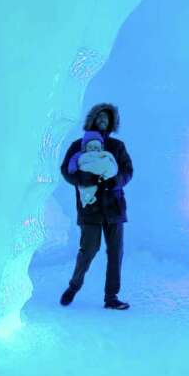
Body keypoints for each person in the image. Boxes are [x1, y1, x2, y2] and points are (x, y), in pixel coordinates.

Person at [59, 103, 134, 310]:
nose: (103, 119)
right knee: (89, 250)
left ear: (111, 122)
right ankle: (74, 287)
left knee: (115, 252)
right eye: (99, 116)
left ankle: (111, 297)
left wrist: (114, 181)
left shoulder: (117, 147)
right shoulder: (78, 145)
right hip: (89, 208)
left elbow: (128, 171)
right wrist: (83, 178)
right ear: (92, 119)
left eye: (107, 117)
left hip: (115, 208)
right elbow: (66, 170)